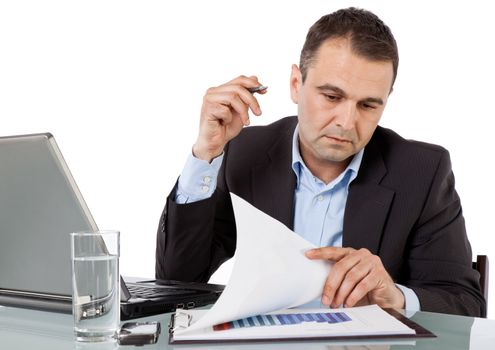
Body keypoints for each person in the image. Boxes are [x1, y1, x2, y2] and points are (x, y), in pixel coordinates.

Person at [155, 7, 485, 317]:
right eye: (332, 96)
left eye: (368, 105)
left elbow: (465, 303)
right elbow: (176, 279)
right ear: (296, 84)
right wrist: (207, 153)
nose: (346, 121)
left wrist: (396, 297)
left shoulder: (422, 172)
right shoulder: (242, 152)